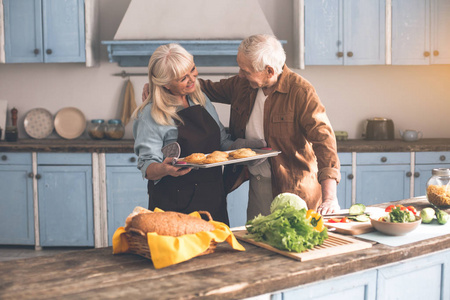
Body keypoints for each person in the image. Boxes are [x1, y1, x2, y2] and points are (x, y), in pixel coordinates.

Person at [143, 35, 341, 219]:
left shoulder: (301, 92)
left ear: (269, 71)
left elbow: (324, 141)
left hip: (295, 188)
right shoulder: (242, 85)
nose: (240, 74)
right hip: (257, 185)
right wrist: (160, 85)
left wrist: (330, 196)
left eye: (245, 71)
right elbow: (200, 86)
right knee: (259, 247)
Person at [133, 43, 236, 224]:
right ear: (165, 84)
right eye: (183, 78)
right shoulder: (150, 114)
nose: (192, 79)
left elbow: (222, 141)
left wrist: (247, 148)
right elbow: (147, 167)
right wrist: (164, 169)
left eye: (193, 70)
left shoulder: (200, 99)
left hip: (213, 199)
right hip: (175, 205)